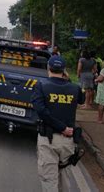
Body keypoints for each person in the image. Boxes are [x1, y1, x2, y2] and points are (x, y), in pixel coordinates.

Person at [31, 56, 85, 192]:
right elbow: (82, 100)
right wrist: (68, 80)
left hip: (48, 140)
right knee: (65, 178)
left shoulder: (41, 86)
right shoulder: (74, 88)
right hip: (68, 141)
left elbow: (41, 111)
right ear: (64, 70)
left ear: (48, 68)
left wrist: (61, 128)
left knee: (49, 179)